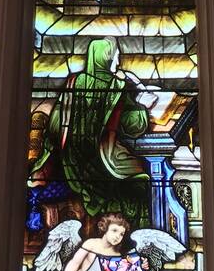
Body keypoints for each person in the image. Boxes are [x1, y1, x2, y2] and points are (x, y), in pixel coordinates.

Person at [34, 38, 151, 227]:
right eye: (115, 56)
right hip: (106, 162)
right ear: (105, 58)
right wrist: (142, 103)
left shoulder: (73, 83)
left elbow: (55, 126)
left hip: (72, 164)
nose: (118, 62)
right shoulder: (118, 87)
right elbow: (135, 126)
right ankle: (132, 239)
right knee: (142, 181)